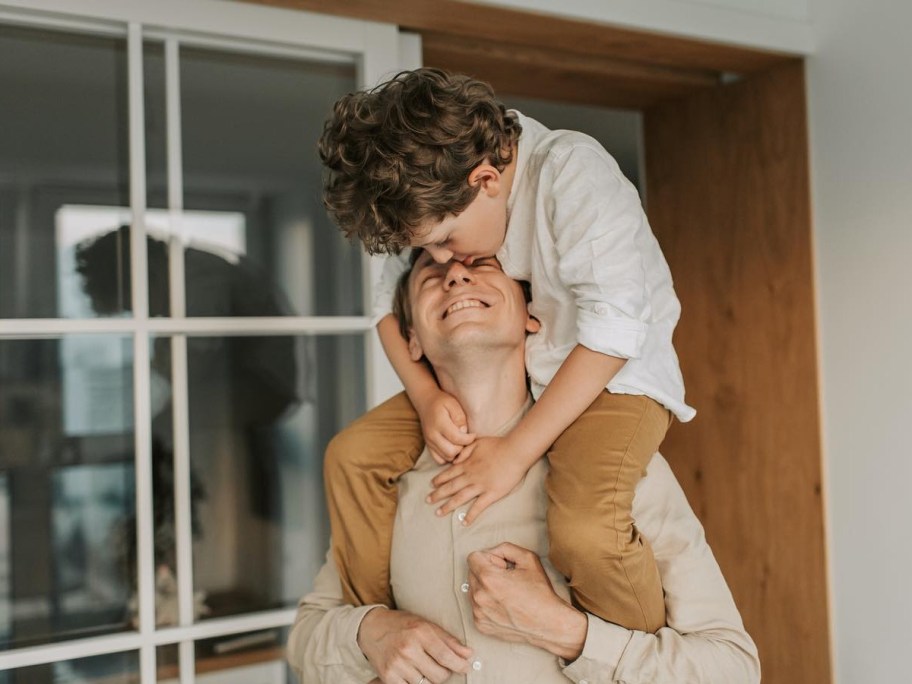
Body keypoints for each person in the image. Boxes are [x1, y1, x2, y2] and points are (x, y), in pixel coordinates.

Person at [319, 68, 695, 631]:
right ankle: (383, 626)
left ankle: (621, 655)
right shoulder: (429, 195)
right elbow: (383, 311)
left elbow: (616, 332)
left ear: (487, 180)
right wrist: (423, 397)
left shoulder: (574, 175)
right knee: (352, 457)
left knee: (587, 529)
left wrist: (514, 453)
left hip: (614, 381)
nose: (443, 262)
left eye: (444, 241)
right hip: (521, 373)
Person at [287, 252, 759, 683]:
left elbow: (733, 667)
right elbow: (305, 639)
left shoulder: (615, 473)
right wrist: (370, 633)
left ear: (533, 317)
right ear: (411, 338)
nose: (454, 273)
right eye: (430, 273)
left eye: (483, 264)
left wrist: (565, 632)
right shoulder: (383, 486)